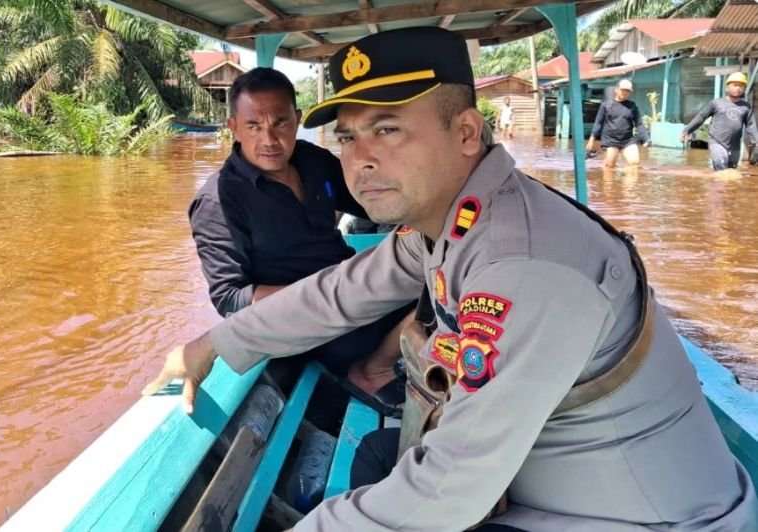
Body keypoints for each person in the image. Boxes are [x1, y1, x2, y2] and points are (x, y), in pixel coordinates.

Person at [147, 27, 757, 531]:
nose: (360, 158)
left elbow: (446, 496)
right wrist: (213, 344)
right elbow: (338, 292)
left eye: (388, 129)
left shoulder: (524, 264)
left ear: (466, 133)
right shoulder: (453, 219)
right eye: (349, 136)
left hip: (627, 516)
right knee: (380, 460)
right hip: (536, 479)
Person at [188, 67, 410, 411]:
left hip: (348, 288)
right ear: (233, 127)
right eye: (253, 126)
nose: (269, 140)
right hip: (304, 324)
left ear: (298, 119)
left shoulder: (312, 160)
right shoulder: (219, 202)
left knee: (437, 282)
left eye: (280, 123)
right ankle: (370, 371)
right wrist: (317, 299)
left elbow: (369, 205)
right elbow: (230, 297)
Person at [680, 72, 758, 171]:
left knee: (731, 171)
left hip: (734, 144)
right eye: (735, 85)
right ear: (727, 87)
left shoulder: (746, 106)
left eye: (741, 86)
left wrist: (756, 141)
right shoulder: (716, 103)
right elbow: (701, 117)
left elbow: (751, 125)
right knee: (721, 166)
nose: (738, 88)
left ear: (744, 88)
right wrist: (687, 130)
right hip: (716, 141)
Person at [586, 79, 649, 168]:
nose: (625, 92)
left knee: (635, 164)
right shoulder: (606, 105)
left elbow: (639, 123)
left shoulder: (632, 106)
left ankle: (627, 181)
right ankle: (610, 181)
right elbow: (598, 123)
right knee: (609, 167)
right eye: (623, 90)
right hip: (610, 141)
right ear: (616, 90)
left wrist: (645, 138)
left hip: (627, 141)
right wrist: (591, 140)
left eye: (628, 91)